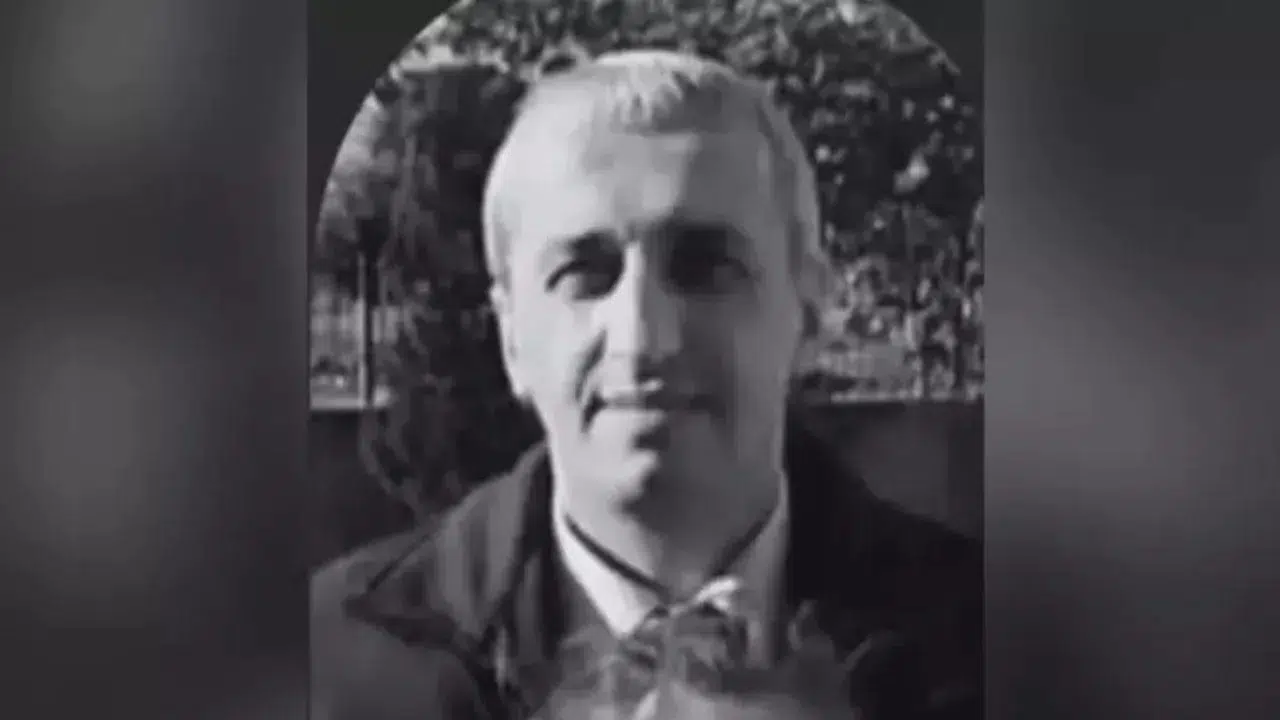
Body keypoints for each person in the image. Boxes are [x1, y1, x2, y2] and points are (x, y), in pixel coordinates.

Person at [311, 49, 981, 719]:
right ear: (512, 335)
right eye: (583, 274)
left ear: (807, 311)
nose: (643, 336)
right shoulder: (329, 670)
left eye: (706, 267)